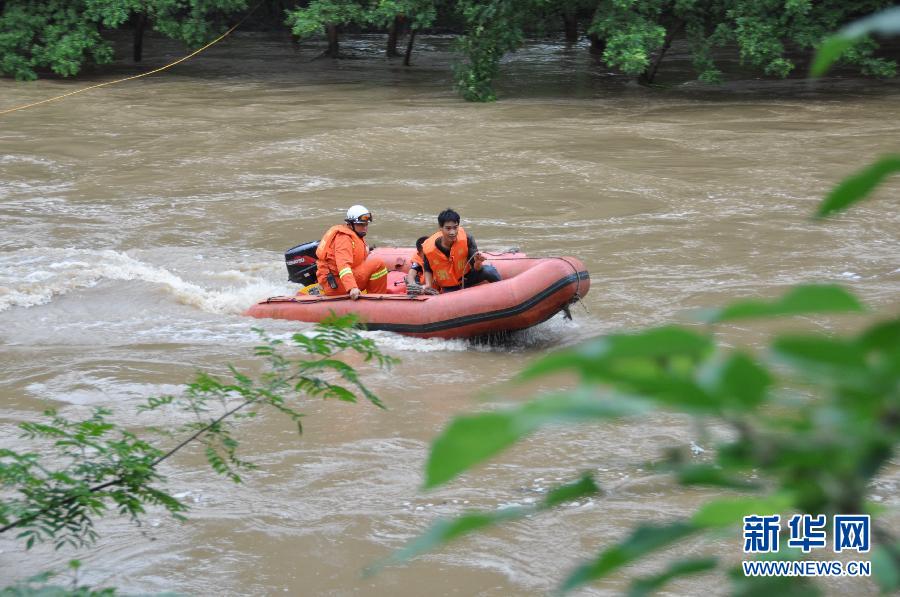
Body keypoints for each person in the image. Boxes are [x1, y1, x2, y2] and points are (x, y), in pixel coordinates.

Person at [315, 205, 388, 300]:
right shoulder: (344, 239)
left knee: (372, 262)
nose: (365, 227)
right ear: (350, 224)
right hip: (337, 285)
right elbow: (343, 266)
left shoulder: (353, 235)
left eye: (366, 224)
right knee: (378, 264)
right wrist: (352, 287)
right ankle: (376, 300)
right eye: (361, 224)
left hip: (336, 281)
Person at [422, 208, 501, 293]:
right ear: (441, 228)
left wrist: (478, 262)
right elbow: (427, 268)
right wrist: (428, 285)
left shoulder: (467, 239)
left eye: (455, 228)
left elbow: (477, 268)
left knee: (489, 271)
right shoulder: (429, 248)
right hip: (449, 286)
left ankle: (503, 290)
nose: (452, 232)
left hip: (467, 277)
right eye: (448, 228)